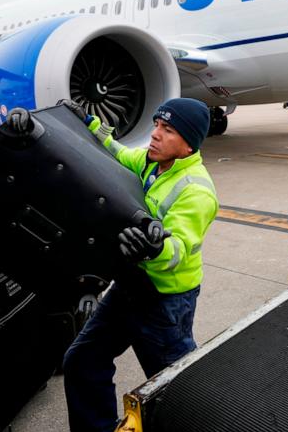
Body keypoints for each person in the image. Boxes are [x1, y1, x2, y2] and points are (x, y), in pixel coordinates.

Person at [55, 98, 219, 432]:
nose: (155, 135)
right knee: (82, 361)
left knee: (175, 389)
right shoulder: (149, 161)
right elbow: (116, 151)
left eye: (168, 130)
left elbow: (178, 251)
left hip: (164, 302)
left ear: (188, 145)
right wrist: (88, 122)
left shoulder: (197, 191)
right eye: (157, 125)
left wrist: (153, 247)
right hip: (129, 286)